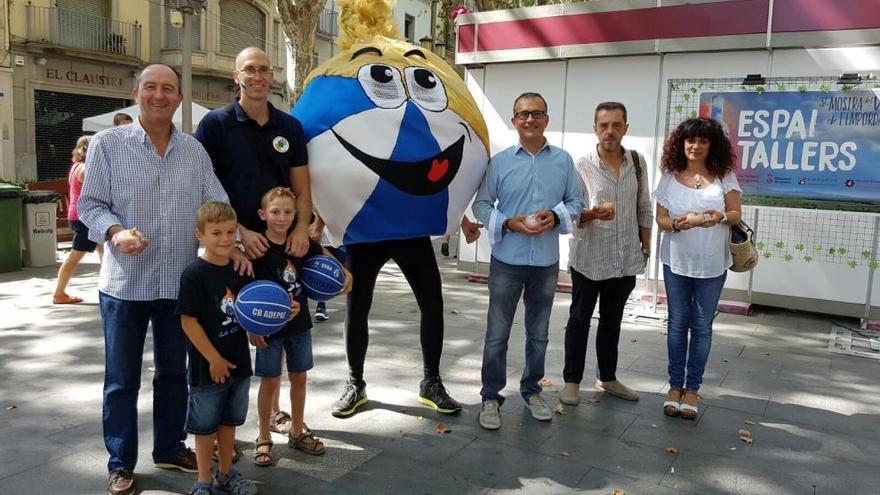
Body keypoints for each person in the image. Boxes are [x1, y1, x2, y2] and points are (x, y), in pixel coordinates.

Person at [77, 64, 249, 495]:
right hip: (124, 284)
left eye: (168, 88)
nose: (159, 95)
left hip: (179, 286)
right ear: (137, 93)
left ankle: (170, 447)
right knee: (121, 378)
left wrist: (240, 242)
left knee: (174, 374)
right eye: (151, 87)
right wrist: (115, 232)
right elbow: (91, 205)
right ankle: (121, 463)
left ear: (178, 98)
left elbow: (217, 201)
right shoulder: (107, 145)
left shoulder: (193, 150)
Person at [195, 46, 311, 436]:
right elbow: (204, 187)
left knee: (277, 327)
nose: (258, 76)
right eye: (250, 69)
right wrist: (240, 235)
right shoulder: (215, 124)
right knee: (228, 338)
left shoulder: (290, 127)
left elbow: (302, 188)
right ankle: (217, 429)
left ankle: (273, 419)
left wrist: (300, 228)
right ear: (236, 76)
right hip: (231, 248)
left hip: (277, 249)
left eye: (264, 69)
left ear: (272, 77)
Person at [472, 92, 583, 430]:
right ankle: (491, 397)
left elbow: (576, 203)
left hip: (546, 262)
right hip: (507, 258)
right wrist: (508, 222)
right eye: (523, 114)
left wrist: (555, 214)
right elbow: (482, 205)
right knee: (497, 333)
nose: (530, 120)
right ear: (514, 120)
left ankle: (532, 390)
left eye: (537, 114)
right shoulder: (500, 162)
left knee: (539, 333)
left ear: (547, 119)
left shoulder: (563, 161)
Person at [331, 216, 481, 417]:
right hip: (366, 231)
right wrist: (321, 222)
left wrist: (462, 221)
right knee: (357, 307)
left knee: (432, 304)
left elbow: (436, 185)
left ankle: (431, 382)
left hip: (411, 230)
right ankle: (355, 383)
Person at [251, 187, 352, 465]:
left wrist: (343, 272)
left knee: (299, 377)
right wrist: (252, 326)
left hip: (300, 326)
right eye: (275, 212)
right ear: (263, 214)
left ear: (296, 215)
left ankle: (296, 430)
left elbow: (324, 254)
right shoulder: (257, 248)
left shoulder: (300, 244)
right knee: (269, 381)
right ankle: (263, 437)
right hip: (269, 328)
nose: (282, 218)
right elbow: (245, 291)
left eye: (287, 212)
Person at [560, 102, 652, 405]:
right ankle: (571, 381)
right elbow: (572, 213)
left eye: (616, 125)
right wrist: (593, 214)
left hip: (625, 258)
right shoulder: (581, 164)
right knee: (579, 319)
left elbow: (644, 209)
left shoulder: (637, 162)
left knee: (612, 320)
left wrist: (646, 246)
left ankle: (608, 378)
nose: (609, 131)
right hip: (589, 258)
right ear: (595, 128)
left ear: (626, 127)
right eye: (603, 125)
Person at [653, 117, 741, 420]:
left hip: (712, 264)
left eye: (703, 140)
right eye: (691, 140)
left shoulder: (724, 176)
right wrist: (680, 223)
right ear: (682, 143)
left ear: (711, 145)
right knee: (677, 324)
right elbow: (661, 221)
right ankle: (674, 387)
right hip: (677, 262)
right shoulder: (669, 176)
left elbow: (735, 214)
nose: (695, 146)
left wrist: (718, 216)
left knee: (701, 327)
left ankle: (692, 389)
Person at [177, 202, 266, 495]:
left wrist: (255, 330)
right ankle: (203, 480)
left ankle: (227, 473)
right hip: (207, 368)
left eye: (230, 232)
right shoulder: (193, 274)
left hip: (238, 362)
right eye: (217, 233)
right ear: (199, 235)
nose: (226, 239)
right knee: (205, 428)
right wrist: (213, 358)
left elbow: (247, 310)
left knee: (229, 424)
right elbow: (189, 322)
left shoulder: (240, 269)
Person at [53, 135, 104, 304]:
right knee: (75, 256)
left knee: (104, 251)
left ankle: (109, 289)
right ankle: (59, 293)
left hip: (80, 215)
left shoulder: (76, 166)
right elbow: (99, 187)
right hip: (84, 217)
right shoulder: (85, 169)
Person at [308, 212, 346, 322]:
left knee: (339, 274)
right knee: (323, 273)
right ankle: (321, 306)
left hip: (337, 237)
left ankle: (321, 305)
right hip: (329, 238)